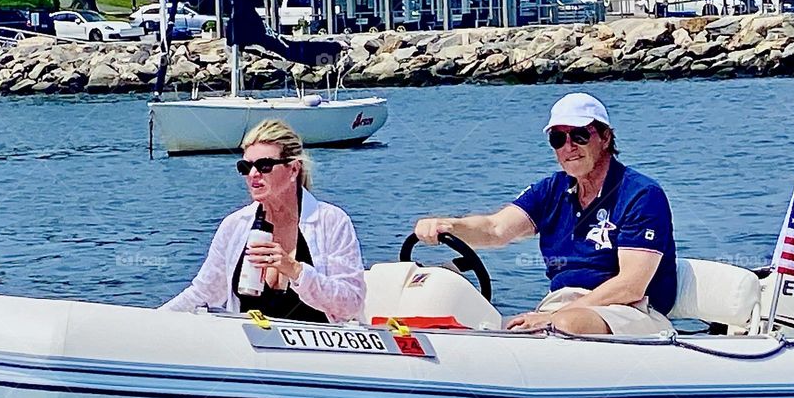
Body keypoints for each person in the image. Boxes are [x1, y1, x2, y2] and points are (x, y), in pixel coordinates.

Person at [414, 92, 677, 335]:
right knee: (483, 323)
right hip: (562, 304)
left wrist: (553, 317)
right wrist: (448, 226)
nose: (569, 146)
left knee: (565, 325)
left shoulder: (641, 194)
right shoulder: (551, 189)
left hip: (632, 309)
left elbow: (631, 285)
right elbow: (495, 229)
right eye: (558, 139)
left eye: (580, 135)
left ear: (605, 137)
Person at [162, 119, 366, 323]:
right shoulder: (235, 225)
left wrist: (295, 270)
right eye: (245, 167)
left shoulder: (331, 222)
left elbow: (351, 305)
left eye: (264, 166)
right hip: (252, 349)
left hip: (319, 349)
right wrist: (150, 320)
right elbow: (203, 294)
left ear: (293, 169)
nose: (253, 174)